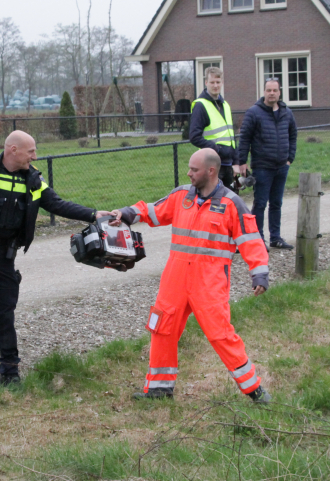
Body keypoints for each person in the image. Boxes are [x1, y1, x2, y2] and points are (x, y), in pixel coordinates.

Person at [0, 130, 112, 384]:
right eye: (31, 151)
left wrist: (93, 214)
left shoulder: (32, 178)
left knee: (5, 313)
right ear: (13, 150)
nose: (35, 156)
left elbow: (56, 204)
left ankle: (10, 374)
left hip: (5, 256)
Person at [108, 148, 273, 404]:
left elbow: (251, 240)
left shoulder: (231, 204)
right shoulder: (181, 195)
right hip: (174, 279)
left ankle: (255, 390)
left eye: (194, 170)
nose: (189, 173)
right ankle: (158, 391)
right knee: (161, 328)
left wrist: (259, 274)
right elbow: (153, 210)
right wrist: (126, 213)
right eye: (189, 168)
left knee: (220, 334)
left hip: (209, 283)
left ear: (211, 171)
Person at [236, 77, 298, 250]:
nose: (272, 93)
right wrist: (242, 162)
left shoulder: (287, 113)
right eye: (268, 90)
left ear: (279, 92)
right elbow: (245, 138)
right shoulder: (254, 113)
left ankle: (275, 238)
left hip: (281, 166)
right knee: (260, 203)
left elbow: (293, 135)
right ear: (264, 92)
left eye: (275, 90)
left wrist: (289, 158)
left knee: (276, 203)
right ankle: (258, 239)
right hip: (262, 167)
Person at [189, 66, 240, 192]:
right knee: (212, 200)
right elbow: (194, 136)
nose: (215, 85)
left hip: (228, 164)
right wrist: (216, 148)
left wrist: (236, 162)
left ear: (222, 82)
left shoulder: (225, 105)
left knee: (230, 200)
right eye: (212, 82)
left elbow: (231, 137)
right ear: (206, 83)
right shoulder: (201, 105)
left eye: (218, 82)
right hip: (211, 165)